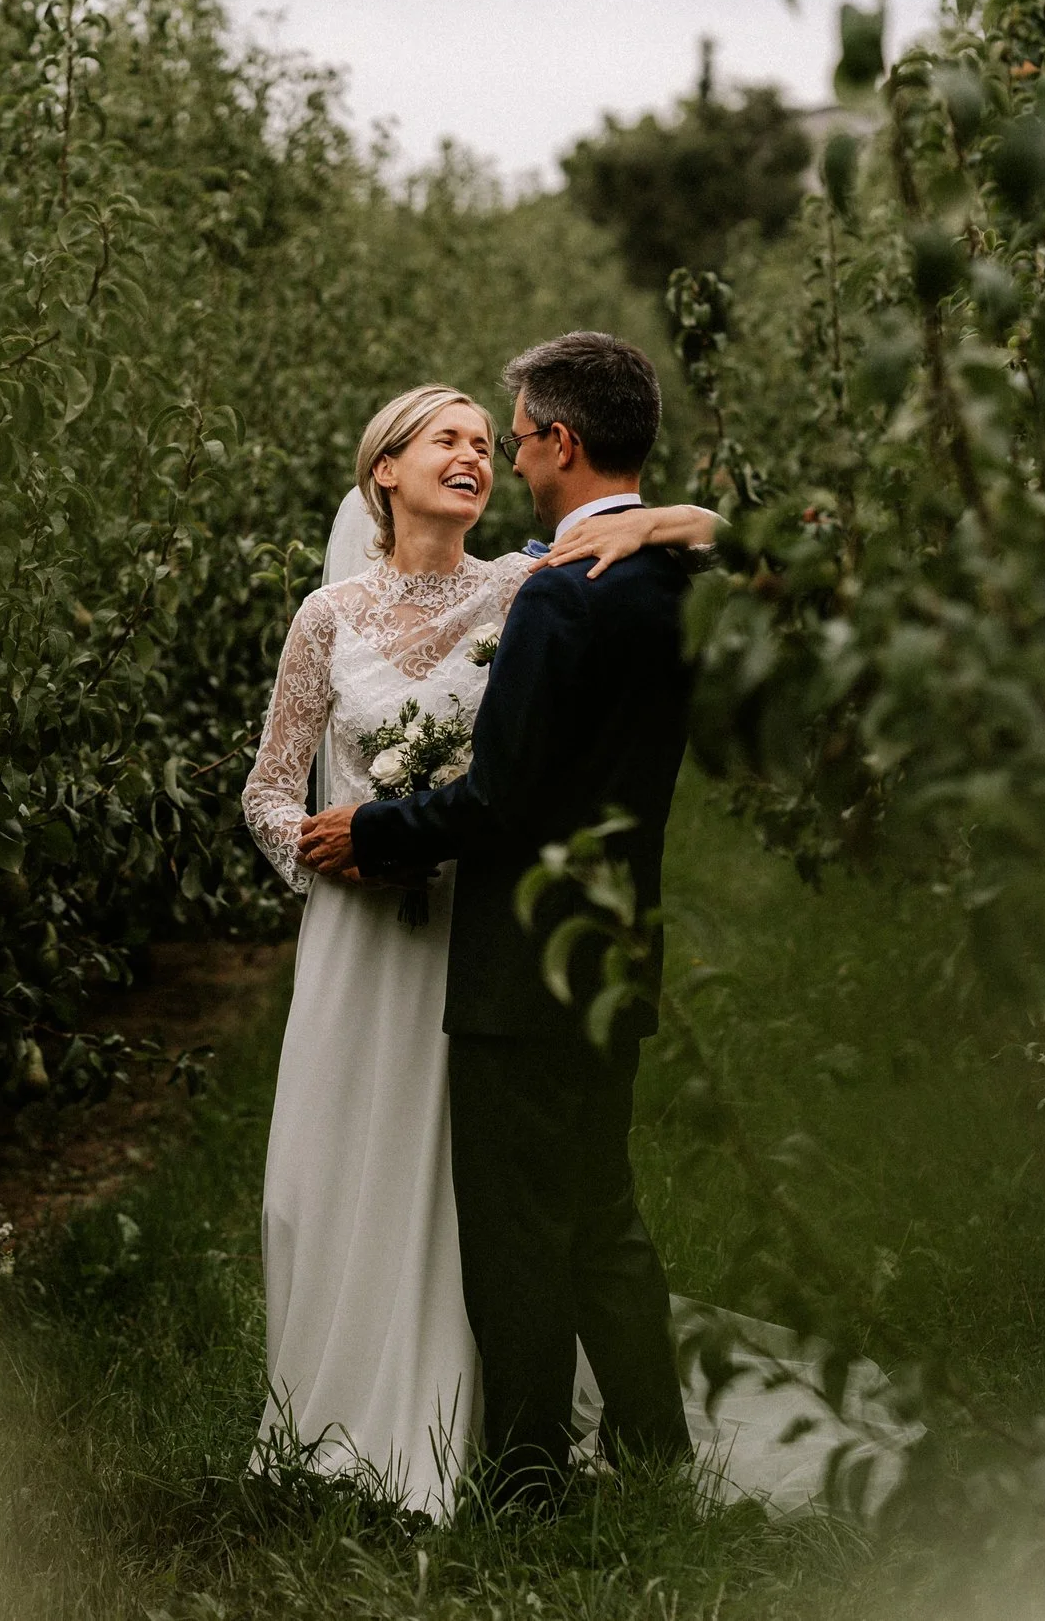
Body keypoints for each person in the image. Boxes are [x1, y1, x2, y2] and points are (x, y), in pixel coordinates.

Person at [238, 376, 717, 1517]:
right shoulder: (327, 617)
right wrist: (329, 856)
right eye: (443, 438)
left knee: (498, 1203)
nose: (472, 453)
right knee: (331, 1179)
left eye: (484, 440)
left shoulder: (526, 584)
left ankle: (492, 1442)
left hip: (477, 930)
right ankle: (344, 1414)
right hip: (364, 937)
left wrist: (665, 515)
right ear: (383, 472)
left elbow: (520, 771)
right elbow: (266, 785)